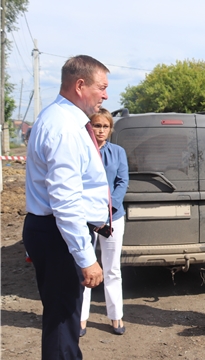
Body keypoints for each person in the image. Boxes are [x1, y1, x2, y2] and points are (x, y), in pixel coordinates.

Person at [23, 55, 110, 359]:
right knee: (62, 322)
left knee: (64, 320)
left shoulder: (63, 119)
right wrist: (86, 258)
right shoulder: (65, 128)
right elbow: (65, 199)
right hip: (58, 233)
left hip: (53, 231)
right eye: (102, 87)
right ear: (80, 85)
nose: (105, 95)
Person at [80, 108, 129, 337]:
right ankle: (80, 318)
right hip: (85, 219)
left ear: (111, 129)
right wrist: (90, 212)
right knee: (85, 267)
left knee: (112, 268)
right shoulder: (81, 150)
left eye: (105, 126)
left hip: (112, 218)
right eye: (96, 125)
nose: (101, 130)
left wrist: (108, 209)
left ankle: (116, 315)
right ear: (89, 126)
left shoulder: (118, 152)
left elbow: (122, 181)